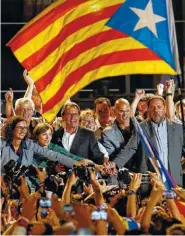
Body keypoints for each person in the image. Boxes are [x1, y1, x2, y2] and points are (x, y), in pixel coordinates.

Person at [0, 116, 88, 172]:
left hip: (25, 187)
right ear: (11, 128)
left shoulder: (28, 144)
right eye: (20, 127)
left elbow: (54, 155)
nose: (23, 130)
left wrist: (75, 163)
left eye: (25, 128)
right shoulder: (2, 144)